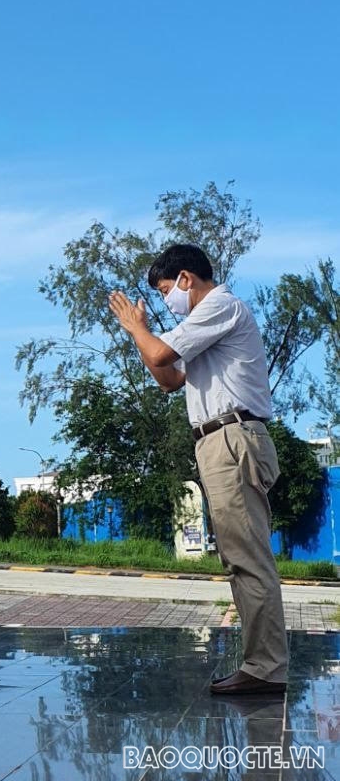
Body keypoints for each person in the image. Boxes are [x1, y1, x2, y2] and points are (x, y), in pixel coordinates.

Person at [108, 243, 287, 695]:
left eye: (168, 289)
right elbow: (168, 379)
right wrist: (140, 334)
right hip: (217, 442)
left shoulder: (220, 306)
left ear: (187, 279)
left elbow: (159, 356)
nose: (168, 299)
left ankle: (265, 668)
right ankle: (261, 664)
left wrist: (136, 327)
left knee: (248, 557)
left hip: (232, 438)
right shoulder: (201, 325)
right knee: (237, 558)